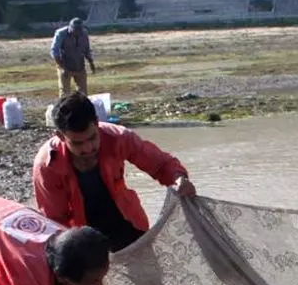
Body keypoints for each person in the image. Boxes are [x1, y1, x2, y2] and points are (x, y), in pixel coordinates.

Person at [33, 92, 197, 252]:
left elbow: (161, 164)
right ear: (60, 136)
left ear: (97, 123)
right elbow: (54, 221)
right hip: (83, 237)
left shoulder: (119, 138)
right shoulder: (47, 165)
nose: (88, 148)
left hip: (127, 222)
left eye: (92, 138)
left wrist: (179, 179)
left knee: (150, 274)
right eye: (77, 143)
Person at [51, 17, 95, 98]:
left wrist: (91, 62)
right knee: (65, 92)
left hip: (79, 65)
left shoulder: (84, 34)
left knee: (83, 92)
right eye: (76, 29)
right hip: (65, 65)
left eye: (79, 30)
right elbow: (55, 52)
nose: (77, 32)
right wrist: (63, 68)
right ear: (70, 27)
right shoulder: (60, 34)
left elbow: (87, 49)